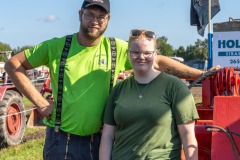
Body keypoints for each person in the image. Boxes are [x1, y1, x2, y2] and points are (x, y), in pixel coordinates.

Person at [5, 0, 206, 159]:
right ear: (79, 15)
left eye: (101, 17)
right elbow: (12, 64)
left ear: (108, 20)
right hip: (61, 141)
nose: (95, 20)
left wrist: (200, 75)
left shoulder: (116, 48)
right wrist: (39, 102)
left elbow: (158, 61)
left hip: (98, 141)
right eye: (90, 14)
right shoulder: (56, 46)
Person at [99, 29, 199, 160]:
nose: (141, 57)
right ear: (128, 54)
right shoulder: (119, 89)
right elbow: (107, 135)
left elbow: (187, 135)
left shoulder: (174, 87)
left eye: (147, 53)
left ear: (155, 54)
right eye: (135, 52)